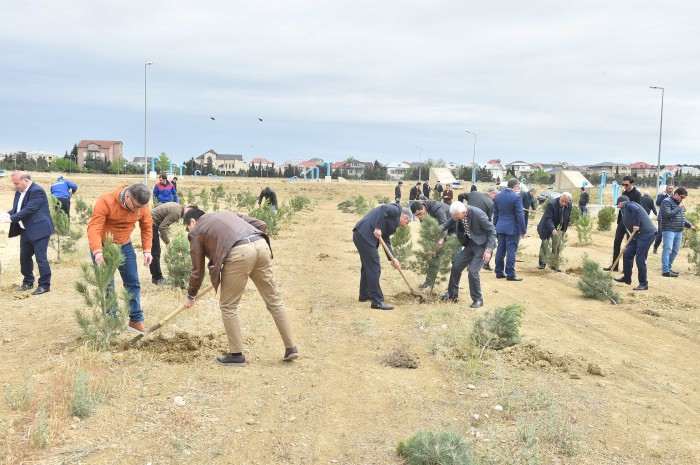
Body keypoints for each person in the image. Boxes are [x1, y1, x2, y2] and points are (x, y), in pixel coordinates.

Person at [181, 207, 298, 366]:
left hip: (239, 253)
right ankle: (291, 347)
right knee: (274, 300)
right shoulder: (227, 213)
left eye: (187, 227)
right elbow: (261, 224)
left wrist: (191, 296)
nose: (188, 231)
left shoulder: (197, 230)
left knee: (228, 305)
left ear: (192, 221)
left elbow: (197, 270)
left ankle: (236, 354)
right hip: (261, 246)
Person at [87, 184, 153, 334]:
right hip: (104, 246)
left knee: (133, 282)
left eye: (141, 207)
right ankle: (113, 321)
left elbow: (147, 226)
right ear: (128, 196)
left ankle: (136, 320)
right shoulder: (106, 201)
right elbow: (94, 228)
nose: (138, 210)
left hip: (125, 245)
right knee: (108, 285)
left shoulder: (142, 207)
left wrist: (147, 250)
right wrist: (97, 252)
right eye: (136, 206)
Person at [0, 172, 53, 295]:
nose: (15, 186)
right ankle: (28, 281)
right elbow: (17, 209)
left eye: (16, 183)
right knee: (24, 257)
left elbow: (29, 209)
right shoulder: (19, 192)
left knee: (41, 258)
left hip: (40, 230)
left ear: (26, 181)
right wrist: (6, 214)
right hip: (26, 230)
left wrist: (10, 219)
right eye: (14, 183)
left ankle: (45, 285)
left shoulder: (37, 191)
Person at [352, 204, 412, 310]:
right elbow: (383, 208)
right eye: (405, 224)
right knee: (374, 268)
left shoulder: (393, 224)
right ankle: (377, 301)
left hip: (363, 236)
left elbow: (386, 239)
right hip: (364, 235)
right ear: (405, 217)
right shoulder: (397, 209)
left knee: (368, 267)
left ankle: (364, 295)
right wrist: (378, 228)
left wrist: (393, 259)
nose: (403, 226)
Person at [439, 201, 496, 308]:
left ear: (464, 212)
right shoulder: (457, 213)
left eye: (456, 217)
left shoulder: (478, 214)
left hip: (482, 246)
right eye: (453, 216)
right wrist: (437, 231)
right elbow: (449, 222)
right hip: (470, 244)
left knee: (472, 271)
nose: (455, 218)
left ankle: (478, 299)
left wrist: (488, 250)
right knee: (456, 267)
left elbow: (492, 231)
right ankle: (452, 295)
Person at [613, 195, 656, 291]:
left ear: (621, 203)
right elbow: (630, 232)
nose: (618, 207)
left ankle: (643, 284)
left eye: (618, 205)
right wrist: (626, 245)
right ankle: (627, 278)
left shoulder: (629, 204)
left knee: (640, 258)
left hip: (647, 234)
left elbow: (636, 210)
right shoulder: (625, 213)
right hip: (637, 236)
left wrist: (636, 224)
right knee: (627, 253)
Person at [410, 200, 451, 289]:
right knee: (434, 256)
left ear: (424, 208)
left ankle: (452, 289)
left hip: (453, 229)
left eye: (420, 213)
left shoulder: (437, 209)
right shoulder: (422, 216)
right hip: (440, 231)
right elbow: (427, 232)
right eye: (416, 215)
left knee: (456, 260)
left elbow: (444, 224)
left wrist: (441, 239)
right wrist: (430, 247)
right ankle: (429, 282)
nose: (419, 217)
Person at [604, 176, 642, 271]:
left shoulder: (637, 194)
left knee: (629, 246)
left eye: (626, 184)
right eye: (623, 184)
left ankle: (627, 268)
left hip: (630, 224)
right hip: (621, 222)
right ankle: (614, 266)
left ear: (632, 183)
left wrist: (635, 224)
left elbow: (637, 210)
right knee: (616, 242)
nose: (624, 186)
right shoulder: (624, 193)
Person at [492, 178, 526, 281]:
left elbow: (495, 214)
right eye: (518, 187)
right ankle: (510, 274)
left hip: (500, 227)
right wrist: (523, 230)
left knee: (500, 249)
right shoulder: (517, 197)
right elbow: (520, 215)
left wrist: (494, 227)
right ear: (515, 186)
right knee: (511, 251)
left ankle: (499, 272)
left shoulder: (498, 196)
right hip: (512, 228)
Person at [658, 187, 697, 277]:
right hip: (669, 230)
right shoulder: (666, 202)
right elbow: (667, 214)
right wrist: (679, 207)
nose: (683, 199)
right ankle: (665, 271)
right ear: (676, 194)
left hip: (678, 230)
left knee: (675, 251)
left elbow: (682, 218)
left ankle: (668, 268)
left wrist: (690, 225)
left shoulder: (680, 204)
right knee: (667, 250)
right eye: (681, 197)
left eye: (684, 198)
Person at [149, 202, 188, 285]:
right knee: (156, 252)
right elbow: (162, 227)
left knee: (154, 252)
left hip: (150, 221)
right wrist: (168, 242)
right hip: (151, 223)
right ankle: (157, 278)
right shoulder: (177, 213)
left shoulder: (179, 207)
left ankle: (155, 277)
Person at [536, 193, 572, 270]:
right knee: (545, 244)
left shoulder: (569, 205)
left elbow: (567, 217)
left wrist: (563, 230)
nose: (563, 203)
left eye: (566, 202)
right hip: (547, 226)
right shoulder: (552, 204)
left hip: (559, 228)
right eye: (562, 201)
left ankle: (554, 264)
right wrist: (552, 228)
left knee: (556, 246)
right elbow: (548, 218)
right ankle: (542, 263)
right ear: (560, 197)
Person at [468, 186, 497, 271]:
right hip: (482, 225)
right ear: (492, 193)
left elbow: (462, 195)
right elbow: (489, 217)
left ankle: (472, 264)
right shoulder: (490, 202)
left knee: (473, 243)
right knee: (491, 244)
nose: (494, 197)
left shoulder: (476, 195)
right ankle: (485, 264)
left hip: (471, 222)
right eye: (494, 195)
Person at [653, 184, 674, 254]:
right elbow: (657, 203)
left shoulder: (674, 197)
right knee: (660, 234)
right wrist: (663, 195)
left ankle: (667, 249)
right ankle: (655, 247)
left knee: (670, 234)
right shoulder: (661, 196)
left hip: (672, 218)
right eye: (669, 188)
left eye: (671, 188)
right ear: (666, 189)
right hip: (662, 218)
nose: (670, 190)